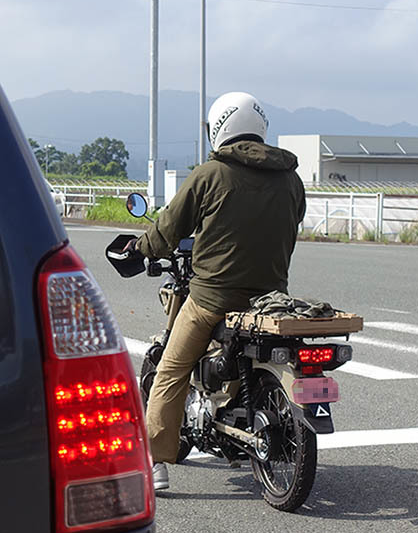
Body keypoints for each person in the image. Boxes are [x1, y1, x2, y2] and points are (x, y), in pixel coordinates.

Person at [128, 91, 306, 491]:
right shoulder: (291, 179)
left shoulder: (210, 174)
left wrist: (139, 248)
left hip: (212, 298)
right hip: (269, 299)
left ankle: (155, 463)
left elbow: (169, 229)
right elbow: (294, 220)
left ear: (219, 128)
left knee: (170, 371)